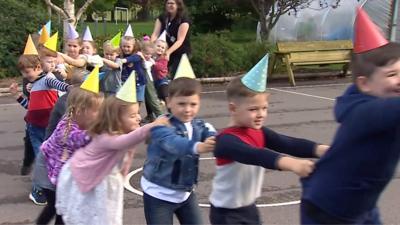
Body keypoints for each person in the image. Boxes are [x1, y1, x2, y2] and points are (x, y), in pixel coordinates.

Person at [300, 8, 400, 224]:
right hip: (329, 208)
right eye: (392, 75)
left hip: (363, 205)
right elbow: (389, 112)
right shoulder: (361, 113)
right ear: (364, 84)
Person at [208, 56, 328, 225]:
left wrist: (323, 150)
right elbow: (257, 155)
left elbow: (288, 143)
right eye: (253, 109)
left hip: (249, 207)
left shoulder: (259, 132)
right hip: (226, 214)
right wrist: (295, 165)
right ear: (233, 108)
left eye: (264, 108)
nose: (261, 114)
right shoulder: (226, 141)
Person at [55, 74, 169, 225]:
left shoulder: (123, 135)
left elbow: (126, 157)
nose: (139, 118)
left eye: (138, 114)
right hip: (85, 176)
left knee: (103, 216)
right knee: (87, 217)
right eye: (133, 115)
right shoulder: (107, 138)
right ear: (116, 118)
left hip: (103, 178)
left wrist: (121, 176)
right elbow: (130, 139)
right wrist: (153, 125)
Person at [141, 77, 216, 225]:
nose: (188, 109)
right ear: (169, 102)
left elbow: (211, 132)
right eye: (181, 104)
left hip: (185, 194)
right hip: (158, 195)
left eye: (193, 104)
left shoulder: (198, 125)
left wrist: (215, 140)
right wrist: (198, 146)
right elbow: (174, 144)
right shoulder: (162, 125)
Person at [34, 69, 103, 225]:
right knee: (60, 208)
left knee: (60, 208)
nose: (100, 114)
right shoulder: (68, 126)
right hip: (47, 169)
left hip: (58, 170)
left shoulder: (82, 119)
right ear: (80, 111)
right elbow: (82, 139)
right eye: (97, 111)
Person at [10, 35, 71, 205]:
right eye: (23, 73)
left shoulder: (46, 80)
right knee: (41, 157)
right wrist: (17, 96)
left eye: (27, 72)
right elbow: (30, 107)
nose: (25, 76)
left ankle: (45, 188)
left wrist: (71, 88)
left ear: (37, 67)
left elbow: (60, 85)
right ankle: (40, 189)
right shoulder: (34, 85)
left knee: (47, 157)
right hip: (33, 127)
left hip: (49, 127)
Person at [150, 0, 191, 77]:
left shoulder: (184, 20)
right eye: (168, 3)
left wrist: (168, 52)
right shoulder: (162, 18)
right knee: (158, 71)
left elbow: (180, 40)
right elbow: (155, 34)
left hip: (179, 51)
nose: (170, 5)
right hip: (163, 49)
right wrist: (151, 48)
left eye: (172, 3)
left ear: (178, 5)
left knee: (177, 74)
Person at [141, 41, 164, 123]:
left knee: (152, 99)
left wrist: (142, 57)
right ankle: (150, 116)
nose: (148, 55)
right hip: (140, 80)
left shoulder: (150, 61)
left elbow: (145, 65)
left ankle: (162, 117)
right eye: (145, 53)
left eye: (150, 54)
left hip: (148, 81)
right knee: (144, 99)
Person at [152, 39, 170, 104]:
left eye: (162, 48)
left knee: (164, 92)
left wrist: (154, 63)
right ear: (154, 46)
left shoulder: (164, 58)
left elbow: (161, 67)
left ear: (165, 50)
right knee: (154, 95)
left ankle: (169, 107)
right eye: (158, 46)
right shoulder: (151, 56)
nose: (160, 48)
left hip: (162, 79)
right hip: (154, 80)